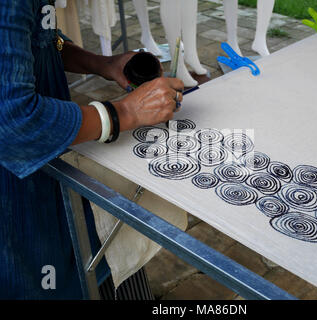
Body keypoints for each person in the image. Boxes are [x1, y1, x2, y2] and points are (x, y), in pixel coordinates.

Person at [0, 0, 183, 299]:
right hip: (17, 191)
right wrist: (124, 113)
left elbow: (42, 39)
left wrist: (102, 64)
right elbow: (14, 121)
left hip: (44, 173)